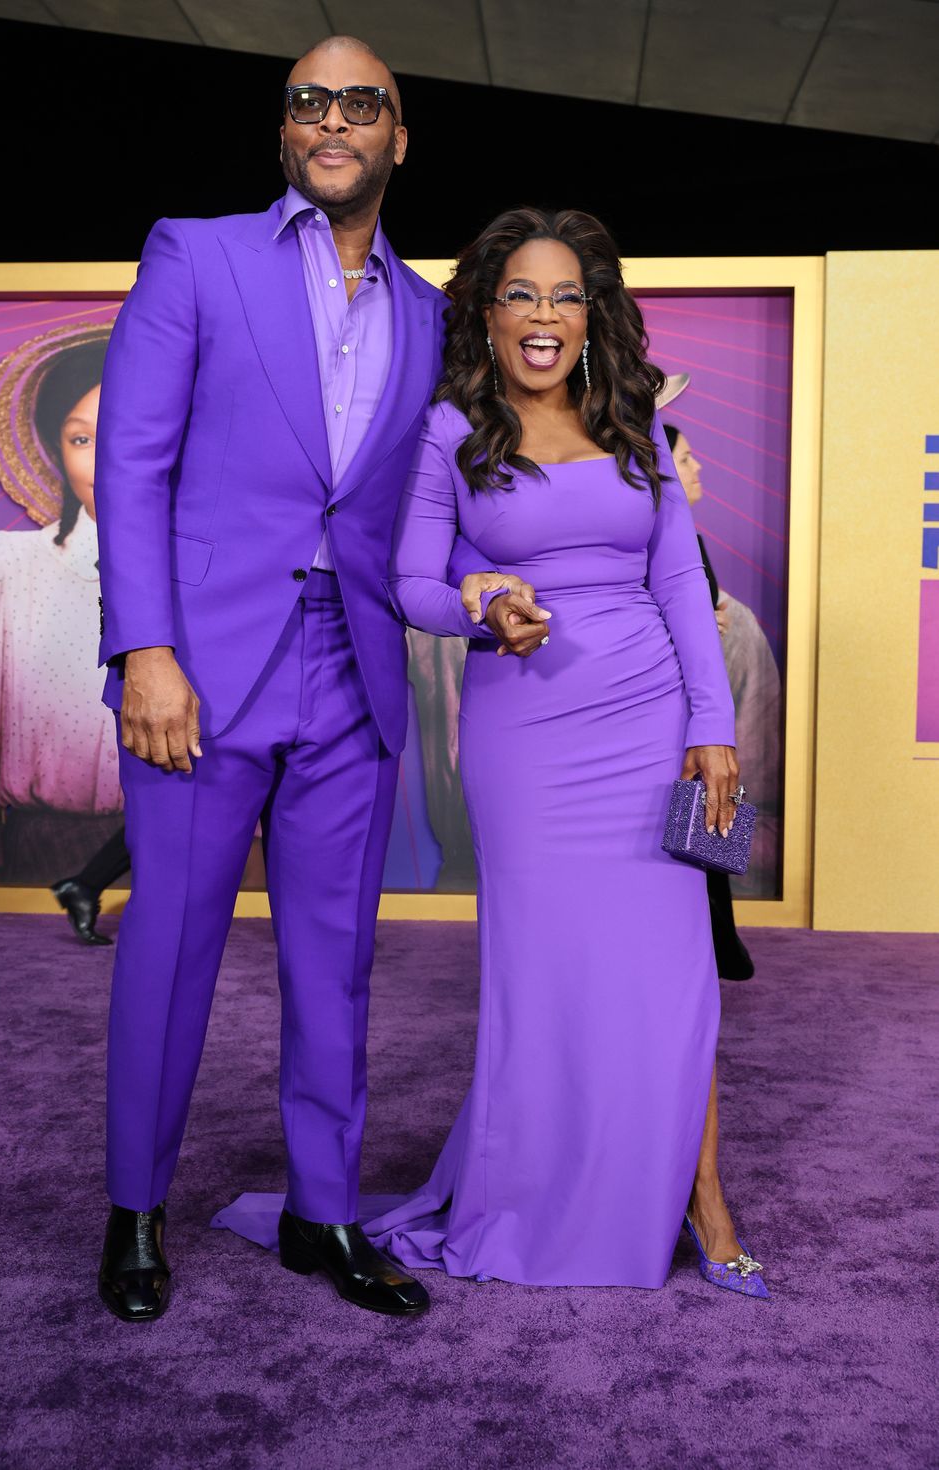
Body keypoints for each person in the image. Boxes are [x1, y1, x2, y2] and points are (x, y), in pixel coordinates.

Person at [93, 35, 527, 1325]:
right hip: (200, 678)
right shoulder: (195, 252)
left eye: (362, 104)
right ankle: (133, 1212)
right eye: (309, 102)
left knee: (333, 966)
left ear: (400, 137)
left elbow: (414, 507)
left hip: (353, 680)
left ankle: (320, 1215)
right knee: (167, 950)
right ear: (285, 131)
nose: (333, 121)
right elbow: (133, 466)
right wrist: (146, 651)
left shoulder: (431, 310)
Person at [368, 209, 767, 1294]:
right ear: (486, 316)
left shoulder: (629, 419)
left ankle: (702, 1197)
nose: (541, 316)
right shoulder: (453, 429)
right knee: (544, 981)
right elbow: (408, 582)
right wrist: (480, 600)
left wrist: (710, 725)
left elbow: (680, 583)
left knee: (671, 975)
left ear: (591, 318)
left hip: (645, 724)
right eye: (519, 296)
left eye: (562, 297)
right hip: (525, 736)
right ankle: (536, 1188)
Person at [0, 331, 123, 885]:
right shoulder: (1, 568)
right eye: (83, 440)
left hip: (195, 845)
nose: (110, 462)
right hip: (43, 851)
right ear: (56, 446)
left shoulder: (212, 574)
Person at [665, 425, 782, 903]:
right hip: (654, 727)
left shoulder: (690, 550)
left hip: (700, 729)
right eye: (685, 458)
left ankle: (714, 926)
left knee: (704, 828)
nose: (698, 467)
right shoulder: (664, 546)